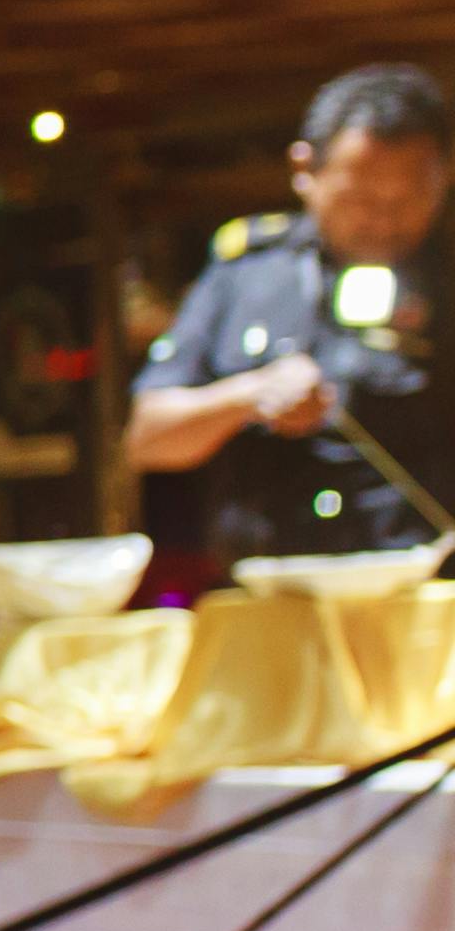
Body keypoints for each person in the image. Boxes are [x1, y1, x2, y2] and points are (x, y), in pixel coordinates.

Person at [128, 61, 455, 559]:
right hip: (271, 601)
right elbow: (147, 439)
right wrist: (251, 394)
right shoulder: (244, 275)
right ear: (305, 170)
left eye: (411, 198)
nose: (385, 220)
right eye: (362, 198)